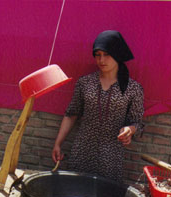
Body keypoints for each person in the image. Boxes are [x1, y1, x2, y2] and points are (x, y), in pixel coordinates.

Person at [52, 30, 144, 184]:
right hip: (82, 151)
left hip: (111, 156)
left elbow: (137, 122)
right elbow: (71, 114)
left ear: (117, 54)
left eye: (106, 54)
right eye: (97, 54)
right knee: (75, 193)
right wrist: (58, 143)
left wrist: (130, 130)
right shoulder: (85, 83)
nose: (101, 60)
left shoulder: (133, 88)